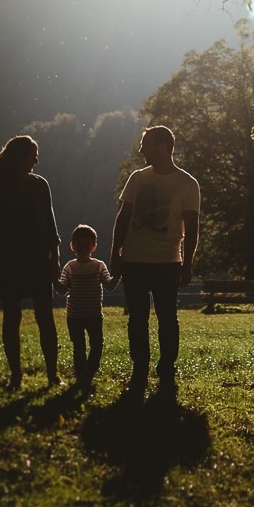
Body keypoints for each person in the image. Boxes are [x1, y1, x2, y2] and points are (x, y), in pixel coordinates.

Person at [109, 125, 201, 393]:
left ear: (161, 147)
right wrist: (116, 254)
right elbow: (122, 219)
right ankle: (140, 369)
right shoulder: (137, 179)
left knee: (167, 318)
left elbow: (193, 227)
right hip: (134, 261)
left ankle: (166, 368)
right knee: (137, 318)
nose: (140, 149)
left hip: (167, 262)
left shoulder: (187, 183)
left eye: (145, 144)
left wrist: (187, 263)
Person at [0, 134, 64, 390]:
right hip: (6, 259)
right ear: (20, 157)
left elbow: (50, 225)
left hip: (36, 259)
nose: (37, 159)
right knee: (12, 318)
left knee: (44, 317)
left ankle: (52, 374)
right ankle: (17, 375)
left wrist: (54, 260)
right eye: (33, 154)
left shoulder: (40, 185)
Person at [54, 223, 119, 392]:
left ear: (94, 246)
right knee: (79, 347)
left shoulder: (99, 266)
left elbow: (110, 285)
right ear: (73, 246)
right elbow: (62, 290)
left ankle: (88, 371)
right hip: (74, 316)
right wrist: (53, 278)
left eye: (87, 245)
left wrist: (118, 273)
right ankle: (82, 374)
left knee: (97, 345)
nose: (83, 248)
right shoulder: (70, 267)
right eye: (79, 245)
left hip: (94, 315)